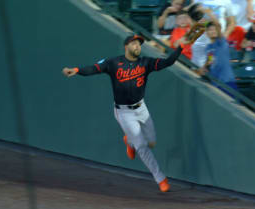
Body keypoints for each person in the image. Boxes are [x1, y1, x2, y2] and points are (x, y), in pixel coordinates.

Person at [62, 34, 188, 192]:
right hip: (124, 113)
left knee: (152, 141)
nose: (137, 46)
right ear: (126, 46)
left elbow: (168, 62)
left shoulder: (146, 62)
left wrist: (180, 47)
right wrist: (76, 70)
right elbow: (94, 68)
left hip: (141, 108)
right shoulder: (113, 63)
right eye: (134, 43)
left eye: (139, 44)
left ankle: (129, 141)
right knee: (142, 146)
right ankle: (160, 178)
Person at [187, 1, 236, 67]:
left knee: (213, 60)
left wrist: (224, 36)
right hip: (201, 35)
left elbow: (232, 22)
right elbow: (190, 16)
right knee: (197, 55)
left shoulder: (227, 2)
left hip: (216, 35)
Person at [198, 22, 237, 90]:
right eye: (210, 30)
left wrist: (208, 12)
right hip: (215, 83)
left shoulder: (221, 42)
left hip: (227, 81)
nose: (213, 31)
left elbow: (230, 25)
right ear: (206, 32)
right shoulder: (208, 48)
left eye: (215, 29)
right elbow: (210, 61)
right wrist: (204, 67)